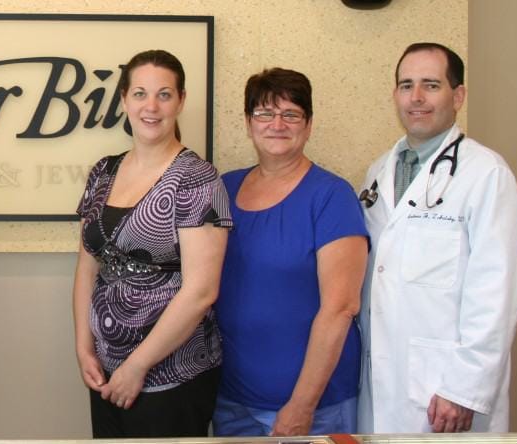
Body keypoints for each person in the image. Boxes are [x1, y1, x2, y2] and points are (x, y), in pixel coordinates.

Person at [358, 42, 517, 433]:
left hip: (446, 391)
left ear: (459, 95)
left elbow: (497, 293)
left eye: (431, 85)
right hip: (383, 381)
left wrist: (464, 389)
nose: (415, 97)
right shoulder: (378, 173)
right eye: (406, 85)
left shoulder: (486, 174)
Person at [72, 49, 231, 438]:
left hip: (173, 375)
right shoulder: (103, 171)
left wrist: (136, 367)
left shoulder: (197, 179)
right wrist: (83, 346)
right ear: (124, 99)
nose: (152, 106)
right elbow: (87, 267)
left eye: (164, 94)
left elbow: (201, 292)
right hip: (106, 369)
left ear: (181, 101)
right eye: (140, 93)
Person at [212, 68, 368, 437]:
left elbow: (341, 307)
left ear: (308, 124)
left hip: (314, 407)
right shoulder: (224, 188)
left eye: (291, 114)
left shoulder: (331, 196)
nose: (277, 124)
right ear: (249, 123)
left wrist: (301, 406)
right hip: (232, 400)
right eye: (265, 113)